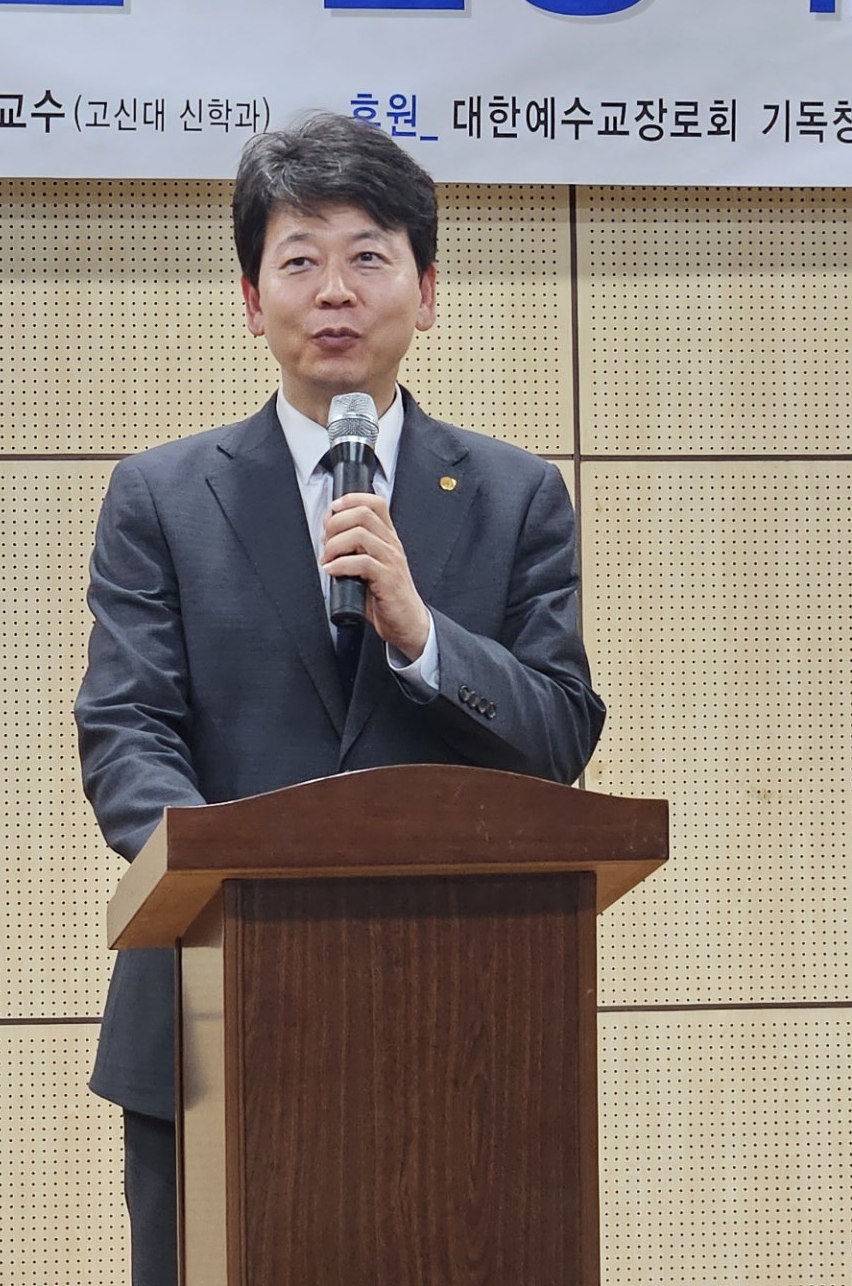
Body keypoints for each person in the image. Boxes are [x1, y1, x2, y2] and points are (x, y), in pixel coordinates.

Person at [74, 112, 606, 1286]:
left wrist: (423, 634)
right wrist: (227, 876)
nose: (334, 291)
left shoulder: (515, 496)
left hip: (466, 1025)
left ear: (428, 291)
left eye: (368, 256)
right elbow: (127, 732)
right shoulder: (164, 497)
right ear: (250, 299)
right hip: (211, 1012)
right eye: (300, 259)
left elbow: (560, 735)